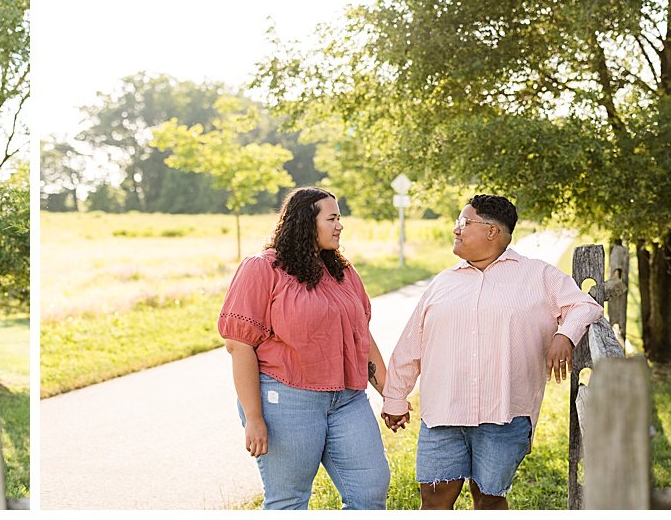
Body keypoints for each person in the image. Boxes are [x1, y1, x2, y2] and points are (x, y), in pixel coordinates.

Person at [381, 194, 604, 509]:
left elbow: (585, 305)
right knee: (433, 501)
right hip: (443, 412)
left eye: (464, 222)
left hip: (505, 413)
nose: (456, 230)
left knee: (488, 500)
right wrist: (395, 397)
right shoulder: (443, 282)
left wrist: (564, 335)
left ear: (491, 232)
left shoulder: (539, 276)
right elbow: (410, 345)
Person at [217, 188, 390, 510]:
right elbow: (238, 345)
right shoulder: (262, 268)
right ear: (305, 222)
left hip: (347, 400)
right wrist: (254, 417)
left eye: (340, 218)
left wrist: (391, 394)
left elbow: (361, 337)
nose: (340, 226)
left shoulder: (343, 271)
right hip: (287, 401)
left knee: (370, 493)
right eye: (332, 218)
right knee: (289, 502)